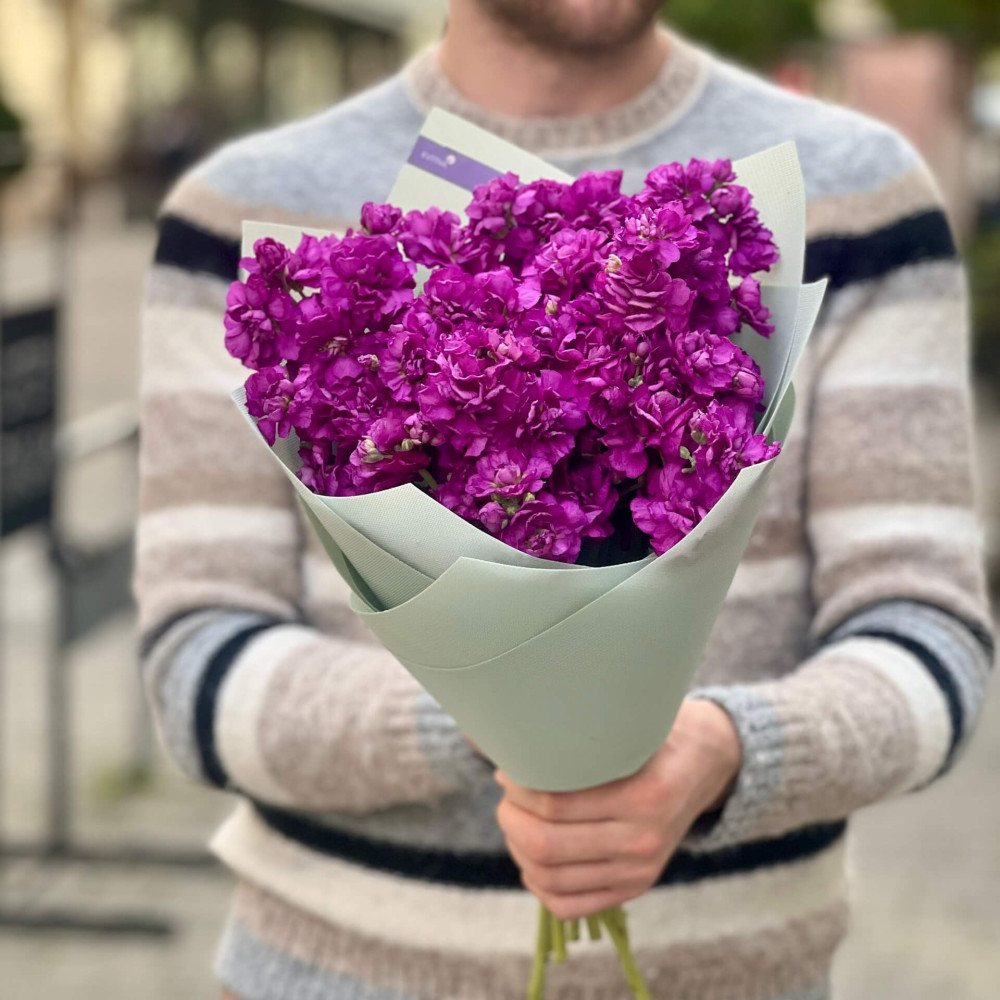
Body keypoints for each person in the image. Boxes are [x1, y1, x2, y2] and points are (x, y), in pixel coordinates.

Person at [135, 2, 994, 998]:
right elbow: (192, 664)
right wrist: (503, 716)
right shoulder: (236, 208)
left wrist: (719, 755)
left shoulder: (862, 191)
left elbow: (930, 642)